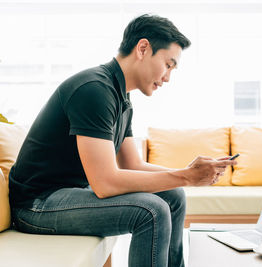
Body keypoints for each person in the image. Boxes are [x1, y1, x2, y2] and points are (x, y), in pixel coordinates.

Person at [8, 14, 236, 267]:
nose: (168, 77)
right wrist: (186, 176)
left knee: (173, 195)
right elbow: (105, 183)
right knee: (151, 210)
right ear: (143, 48)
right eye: (168, 64)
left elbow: (132, 165)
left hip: (69, 194)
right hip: (37, 205)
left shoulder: (121, 97)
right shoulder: (94, 90)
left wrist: (189, 174)